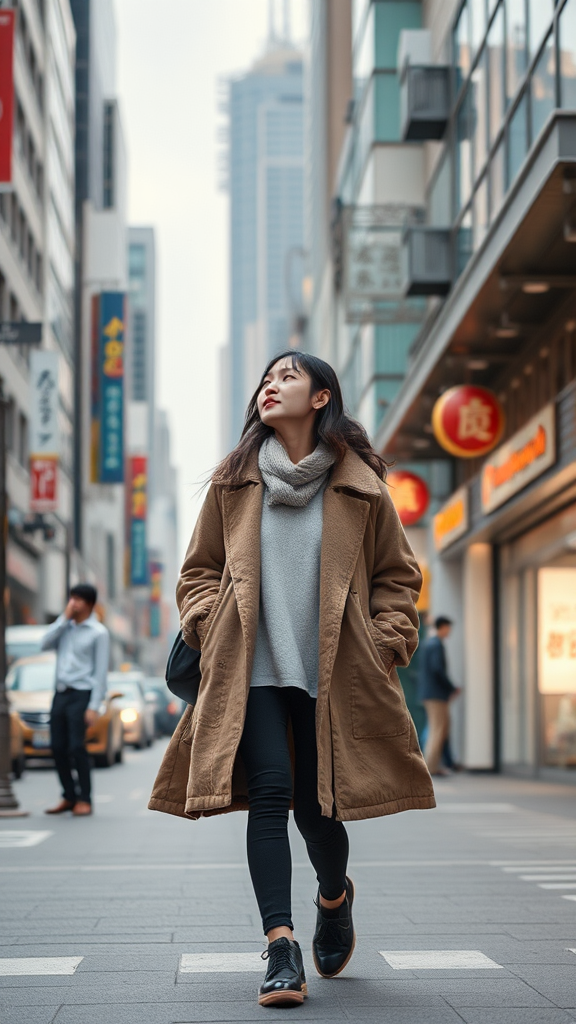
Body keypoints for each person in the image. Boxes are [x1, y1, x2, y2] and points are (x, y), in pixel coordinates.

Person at [149, 351, 435, 1008]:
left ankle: (333, 897)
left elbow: (397, 580)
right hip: (250, 669)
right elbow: (198, 572)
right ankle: (281, 948)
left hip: (333, 673)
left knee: (317, 807)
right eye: (266, 378)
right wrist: (205, 620)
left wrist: (386, 642)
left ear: (322, 396)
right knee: (272, 796)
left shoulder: (362, 489)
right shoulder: (233, 484)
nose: (270, 385)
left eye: (287, 376)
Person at [42, 584, 110, 817]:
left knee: (76, 746)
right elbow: (44, 644)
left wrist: (93, 706)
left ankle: (85, 799)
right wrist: (63, 619)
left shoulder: (99, 633)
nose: (74, 603)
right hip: (60, 694)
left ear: (90, 604)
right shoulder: (65, 628)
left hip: (82, 695)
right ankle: (68, 796)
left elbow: (100, 673)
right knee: (57, 747)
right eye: (72, 598)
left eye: (79, 599)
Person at [419, 616, 460, 777]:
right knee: (437, 730)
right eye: (448, 628)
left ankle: (433, 766)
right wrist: (451, 687)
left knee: (439, 729)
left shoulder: (429, 643)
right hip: (436, 695)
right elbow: (438, 670)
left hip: (431, 694)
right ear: (442, 627)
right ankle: (430, 767)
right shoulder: (436, 645)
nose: (449, 631)